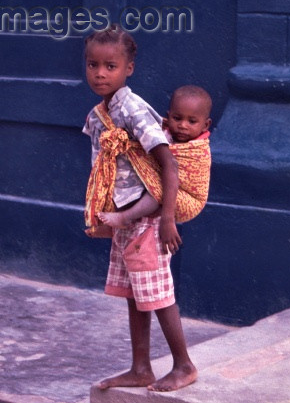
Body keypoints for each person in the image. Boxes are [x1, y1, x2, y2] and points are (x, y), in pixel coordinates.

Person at [82, 24, 198, 392]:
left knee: (159, 295)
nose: (100, 73)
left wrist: (166, 218)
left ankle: (184, 365)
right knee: (137, 294)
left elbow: (168, 163)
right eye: (93, 64)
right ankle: (141, 367)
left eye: (110, 66)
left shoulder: (132, 108)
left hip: (147, 219)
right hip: (126, 222)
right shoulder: (102, 112)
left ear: (128, 68)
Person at [97, 85, 212, 229]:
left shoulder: (198, 150)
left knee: (157, 190)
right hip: (167, 191)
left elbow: (177, 170)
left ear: (205, 125)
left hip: (189, 200)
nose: (183, 125)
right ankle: (111, 220)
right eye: (177, 118)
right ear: (168, 116)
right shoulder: (160, 132)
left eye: (192, 121)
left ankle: (125, 217)